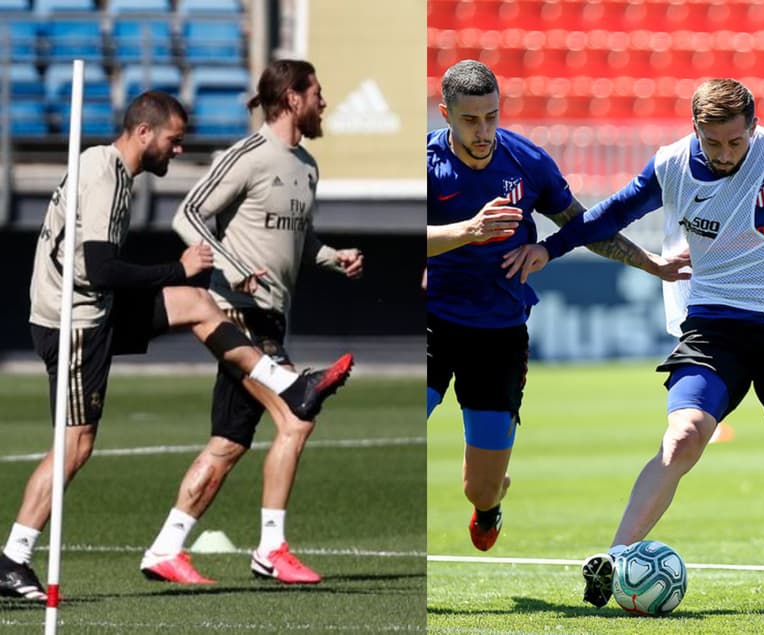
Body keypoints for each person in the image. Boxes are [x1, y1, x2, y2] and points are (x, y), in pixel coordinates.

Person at [503, 78, 764, 603]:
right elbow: (612, 212)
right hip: (713, 325)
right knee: (683, 436)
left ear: (753, 127)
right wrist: (551, 248)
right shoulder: (671, 163)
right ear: (695, 129)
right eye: (713, 143)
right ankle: (614, 560)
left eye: (735, 142)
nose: (724, 153)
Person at [0, 91, 352, 601]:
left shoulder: (109, 169)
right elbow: (100, 269)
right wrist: (177, 268)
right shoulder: (105, 174)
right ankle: (14, 558)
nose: (179, 149)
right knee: (75, 446)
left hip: (93, 309)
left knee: (197, 302)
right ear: (144, 132)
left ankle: (287, 385)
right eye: (174, 139)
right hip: (75, 323)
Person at [426, 60, 687, 553]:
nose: (483, 131)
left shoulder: (527, 162)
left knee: (479, 488)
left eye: (491, 117)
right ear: (445, 114)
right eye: (470, 120)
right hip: (432, 323)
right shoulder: (426, 165)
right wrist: (467, 231)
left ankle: (489, 503)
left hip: (499, 334)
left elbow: (583, 226)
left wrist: (650, 263)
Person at [138, 61, 363, 586]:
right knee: (297, 416)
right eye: (317, 93)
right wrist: (231, 264)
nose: (323, 103)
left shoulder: (307, 166)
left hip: (273, 315)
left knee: (228, 442)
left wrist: (334, 257)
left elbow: (300, 240)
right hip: (235, 310)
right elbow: (187, 214)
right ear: (292, 98)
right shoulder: (248, 155)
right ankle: (271, 548)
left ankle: (165, 548)